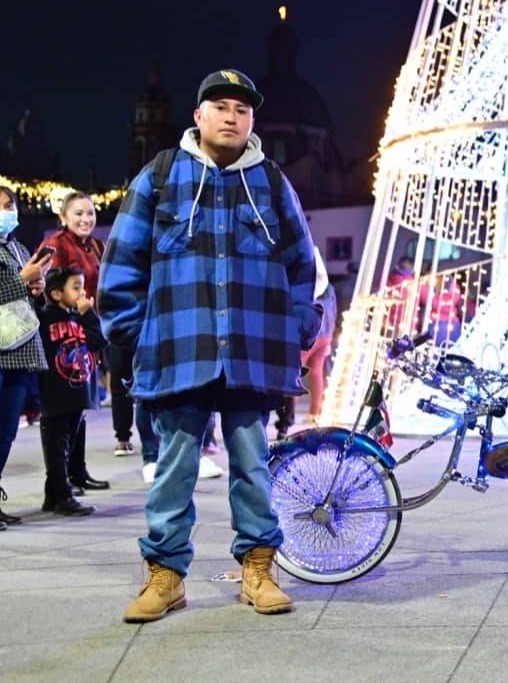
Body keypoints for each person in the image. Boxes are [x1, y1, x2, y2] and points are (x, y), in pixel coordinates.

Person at [100, 68, 319, 622]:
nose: (231, 116)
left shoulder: (271, 181)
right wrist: (130, 335)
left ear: (252, 122)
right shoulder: (161, 175)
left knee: (252, 465)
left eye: (242, 110)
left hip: (252, 350)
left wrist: (298, 327)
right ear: (198, 116)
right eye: (220, 107)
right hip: (179, 348)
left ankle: (258, 571)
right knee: (175, 466)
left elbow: (301, 265)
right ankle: (166, 576)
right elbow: (123, 260)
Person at [0, 185, 51, 530]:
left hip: (19, 348)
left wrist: (37, 290)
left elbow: (29, 301)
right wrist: (23, 281)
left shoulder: (20, 248)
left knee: (6, 430)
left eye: (9, 205)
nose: (3, 211)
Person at [40, 191, 111, 494]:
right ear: (64, 218)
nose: (86, 219)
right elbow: (48, 285)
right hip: (64, 330)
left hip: (87, 324)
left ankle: (78, 472)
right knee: (64, 407)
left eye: (90, 213)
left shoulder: (95, 246)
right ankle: (62, 479)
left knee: (79, 404)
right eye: (79, 214)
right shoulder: (55, 244)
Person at [37, 267, 105, 516]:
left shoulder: (79, 317)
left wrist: (89, 314)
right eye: (75, 287)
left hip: (77, 392)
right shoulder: (45, 317)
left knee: (68, 444)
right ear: (56, 294)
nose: (82, 293)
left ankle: (53, 495)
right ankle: (62, 495)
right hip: (55, 394)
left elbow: (98, 341)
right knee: (57, 446)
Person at [302, 247, 337, 423]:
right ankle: (314, 413)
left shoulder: (309, 287)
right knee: (317, 373)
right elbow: (334, 311)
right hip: (326, 336)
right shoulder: (330, 289)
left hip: (310, 334)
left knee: (296, 374)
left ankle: (288, 414)